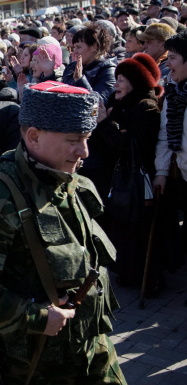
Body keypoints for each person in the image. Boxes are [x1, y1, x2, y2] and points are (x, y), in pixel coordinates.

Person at [0, 81, 127, 385]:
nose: (84, 150)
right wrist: (36, 316)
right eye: (73, 139)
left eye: (87, 138)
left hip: (92, 347)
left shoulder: (66, 178)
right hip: (39, 364)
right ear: (33, 137)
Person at [91, 53, 162, 289]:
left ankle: (145, 279)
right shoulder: (117, 104)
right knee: (121, 230)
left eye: (121, 79)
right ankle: (125, 272)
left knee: (137, 233)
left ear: (135, 81)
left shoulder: (146, 107)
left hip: (138, 183)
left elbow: (131, 145)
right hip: (117, 180)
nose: (116, 84)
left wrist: (105, 123)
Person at [153, 30, 187, 277]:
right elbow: (165, 135)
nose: (168, 63)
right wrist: (162, 172)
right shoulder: (173, 94)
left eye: (173, 57)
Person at [63, 23, 117, 103]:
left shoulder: (108, 71)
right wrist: (48, 73)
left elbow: (99, 102)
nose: (74, 52)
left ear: (94, 47)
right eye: (74, 47)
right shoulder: (71, 68)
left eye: (78, 47)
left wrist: (80, 80)